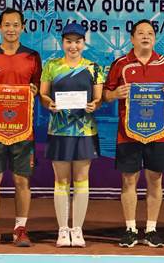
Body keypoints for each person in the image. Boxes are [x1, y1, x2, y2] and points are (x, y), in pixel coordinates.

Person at [104, 19, 164, 248]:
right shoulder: (120, 64)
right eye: (140, 33)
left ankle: (151, 229)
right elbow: (106, 95)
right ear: (132, 38)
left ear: (155, 38)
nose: (146, 36)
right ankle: (130, 229)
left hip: (158, 132)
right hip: (128, 133)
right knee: (129, 179)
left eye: (150, 33)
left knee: (155, 179)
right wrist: (115, 94)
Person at [0, 8, 41, 247]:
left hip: (23, 130)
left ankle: (20, 229)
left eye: (15, 25)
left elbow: (38, 88)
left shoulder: (33, 57)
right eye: (7, 25)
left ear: (22, 27)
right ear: (0, 27)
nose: (11, 29)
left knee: (22, 181)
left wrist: (35, 91)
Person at [39, 23, 104, 247]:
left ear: (84, 43)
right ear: (62, 43)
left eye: (78, 42)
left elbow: (98, 98)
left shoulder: (94, 68)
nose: (73, 46)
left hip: (85, 131)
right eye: (69, 42)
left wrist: (94, 105)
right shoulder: (51, 66)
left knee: (82, 179)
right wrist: (49, 103)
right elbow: (43, 95)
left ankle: (77, 230)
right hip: (59, 129)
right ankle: (62, 230)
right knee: (61, 180)